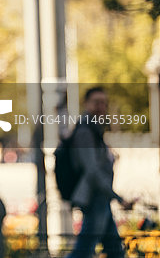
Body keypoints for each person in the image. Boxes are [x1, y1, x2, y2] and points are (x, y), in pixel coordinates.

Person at [66, 86, 131, 258]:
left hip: (101, 199)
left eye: (104, 103)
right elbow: (92, 171)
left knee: (115, 250)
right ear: (86, 103)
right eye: (96, 102)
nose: (101, 107)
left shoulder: (95, 130)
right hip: (95, 198)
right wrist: (118, 198)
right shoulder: (85, 131)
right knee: (83, 252)